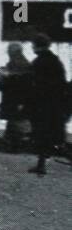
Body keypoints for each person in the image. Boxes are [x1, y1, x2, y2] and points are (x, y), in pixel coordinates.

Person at [25, 33, 68, 176]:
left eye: (33, 45)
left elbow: (34, 84)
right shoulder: (55, 60)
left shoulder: (39, 61)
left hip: (43, 105)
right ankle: (41, 165)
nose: (32, 48)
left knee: (44, 136)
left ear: (37, 46)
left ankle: (41, 165)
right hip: (55, 104)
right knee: (51, 137)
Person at [0, 41, 31, 152]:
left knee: (14, 123)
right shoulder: (25, 64)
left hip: (13, 100)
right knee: (15, 122)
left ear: (12, 52)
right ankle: (13, 145)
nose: (7, 53)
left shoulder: (13, 65)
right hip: (19, 100)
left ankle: (13, 146)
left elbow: (11, 83)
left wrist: (3, 77)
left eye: (8, 51)